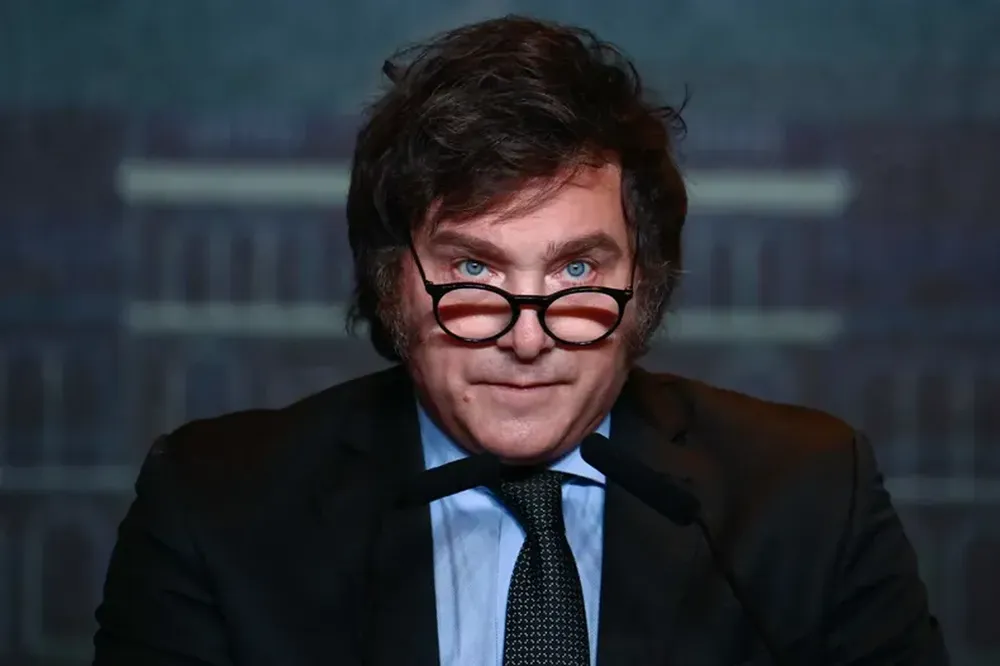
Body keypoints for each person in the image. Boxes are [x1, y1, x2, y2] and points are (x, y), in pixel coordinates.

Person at [93, 15, 948, 666]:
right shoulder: (215, 510)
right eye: (474, 270)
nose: (528, 337)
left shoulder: (808, 499)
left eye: (577, 272)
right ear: (392, 284)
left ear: (644, 288)